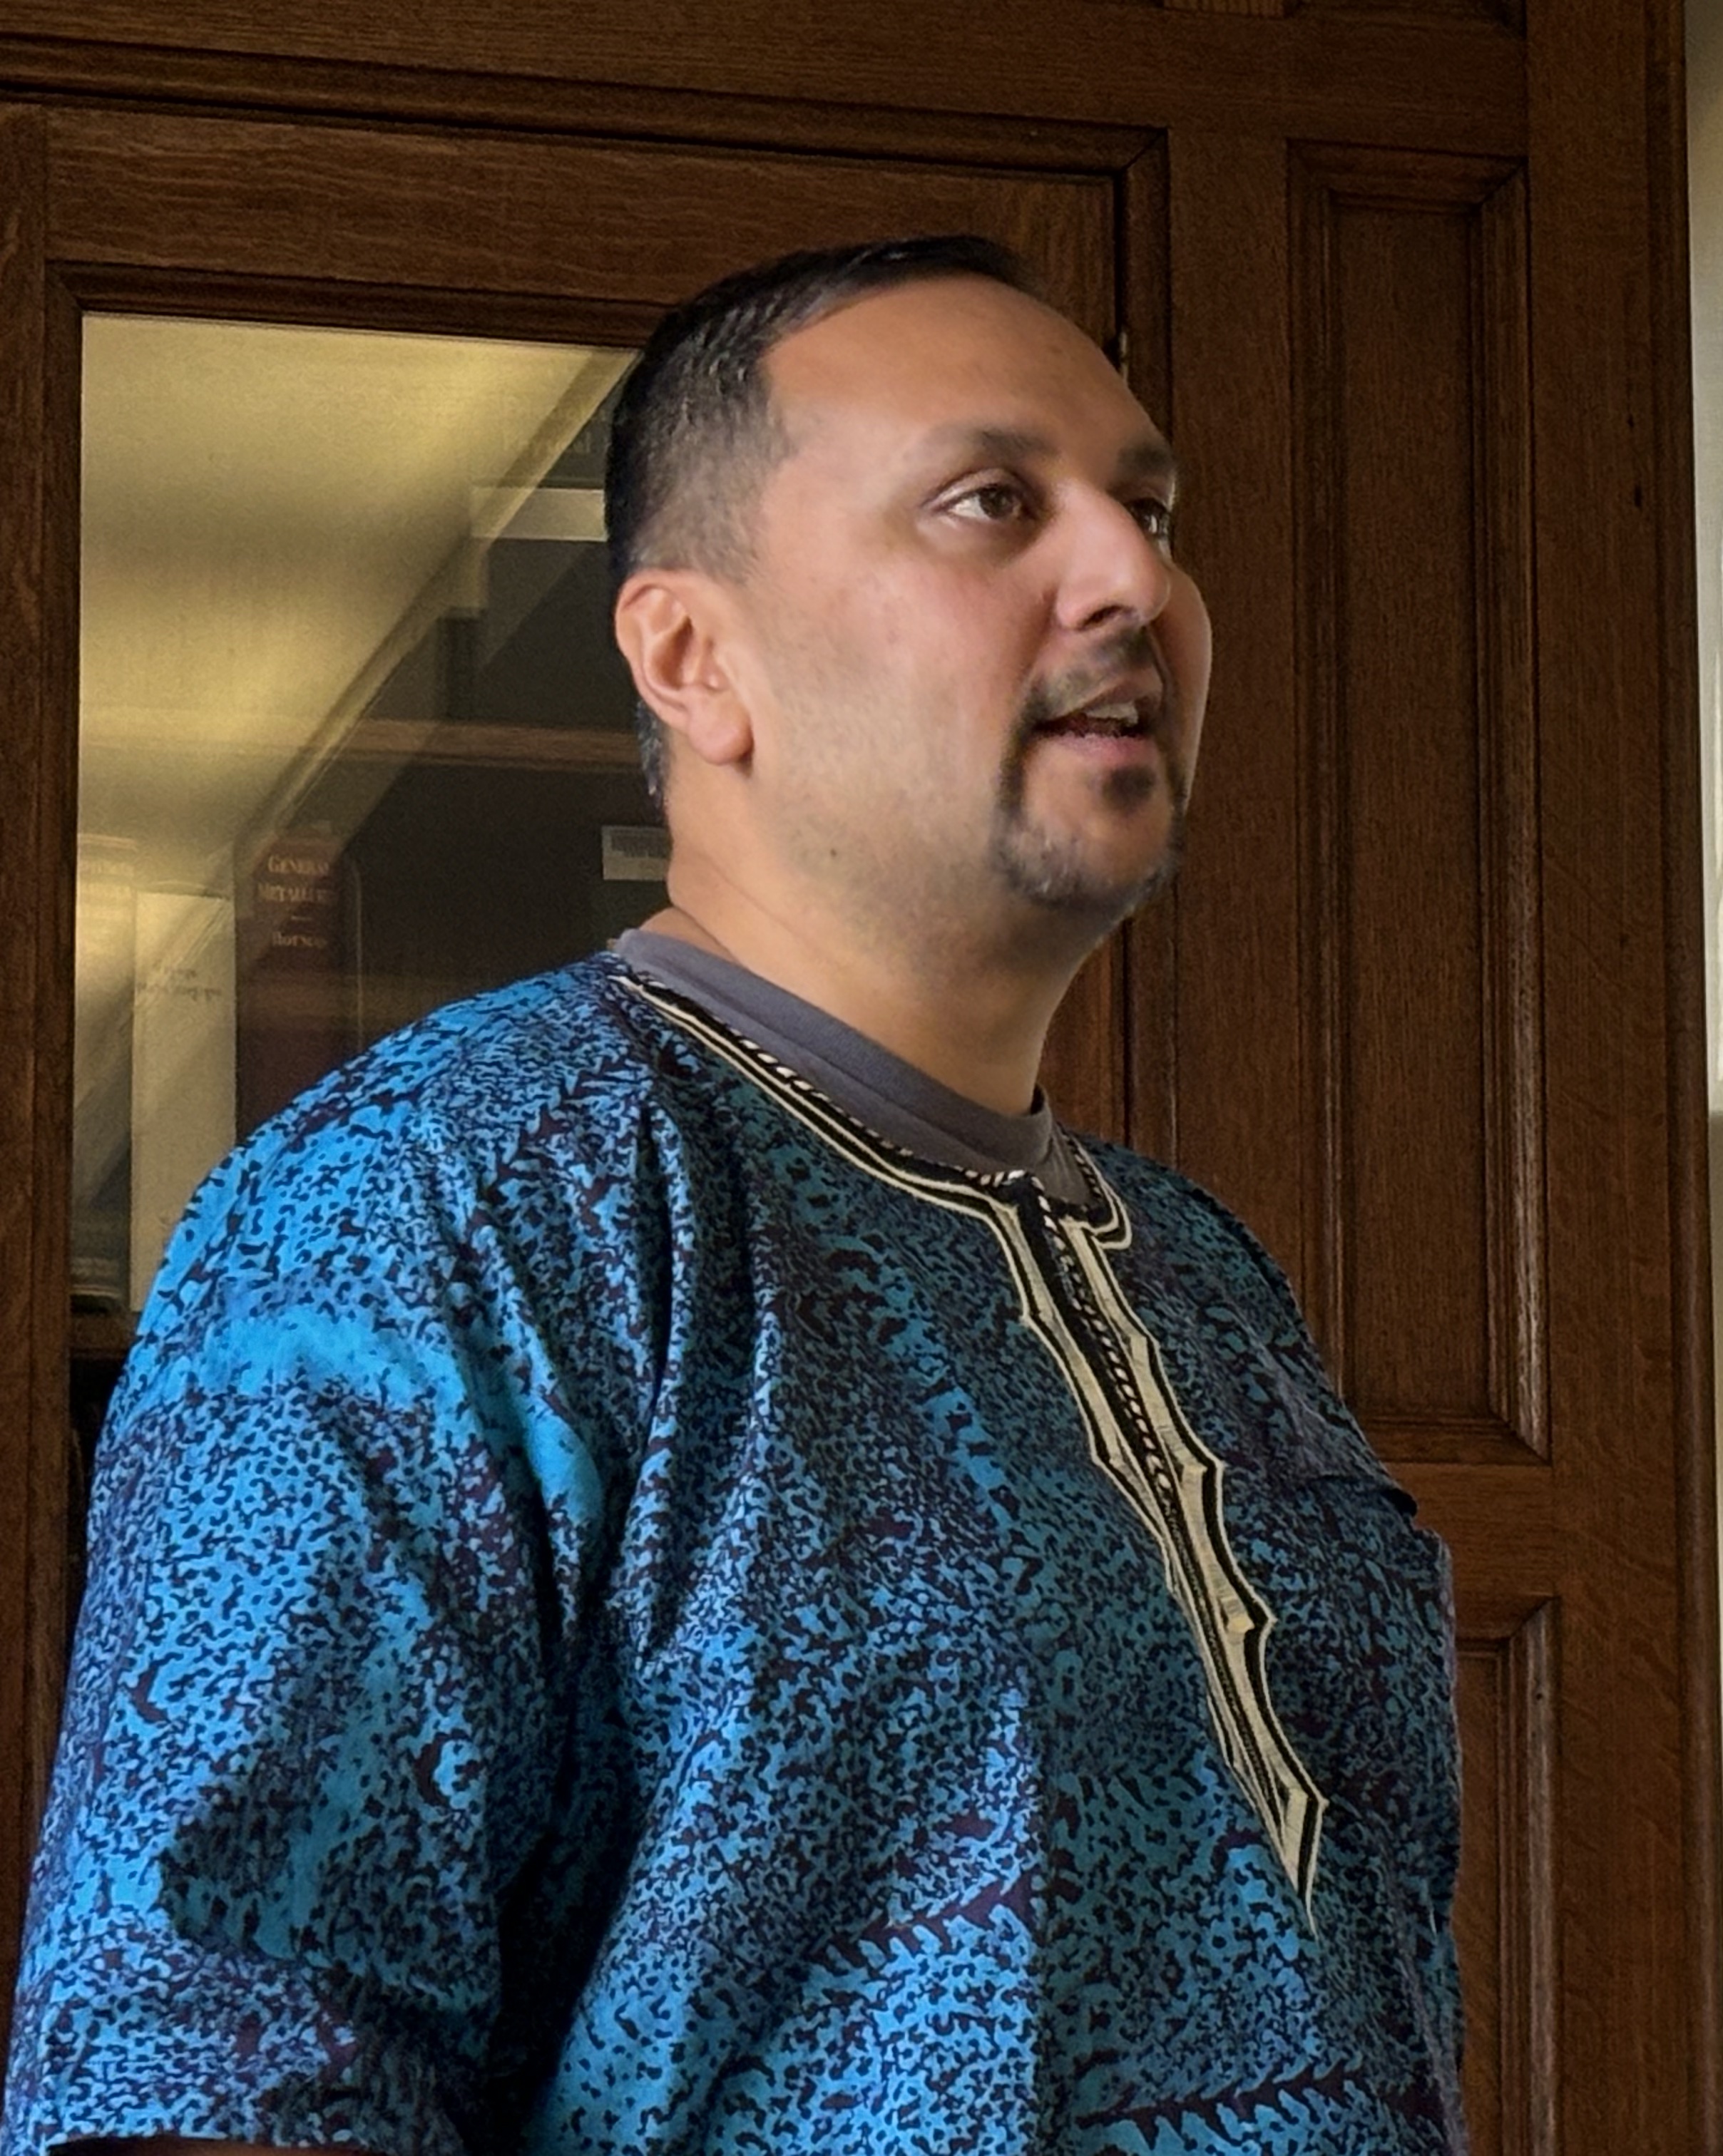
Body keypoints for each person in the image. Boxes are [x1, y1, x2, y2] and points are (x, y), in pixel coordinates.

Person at [4, 235, 1466, 2156]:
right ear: (696, 658)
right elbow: (201, 2073)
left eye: (1151, 509)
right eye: (992, 504)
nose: (1137, 582)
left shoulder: (1204, 1279)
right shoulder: (433, 1197)